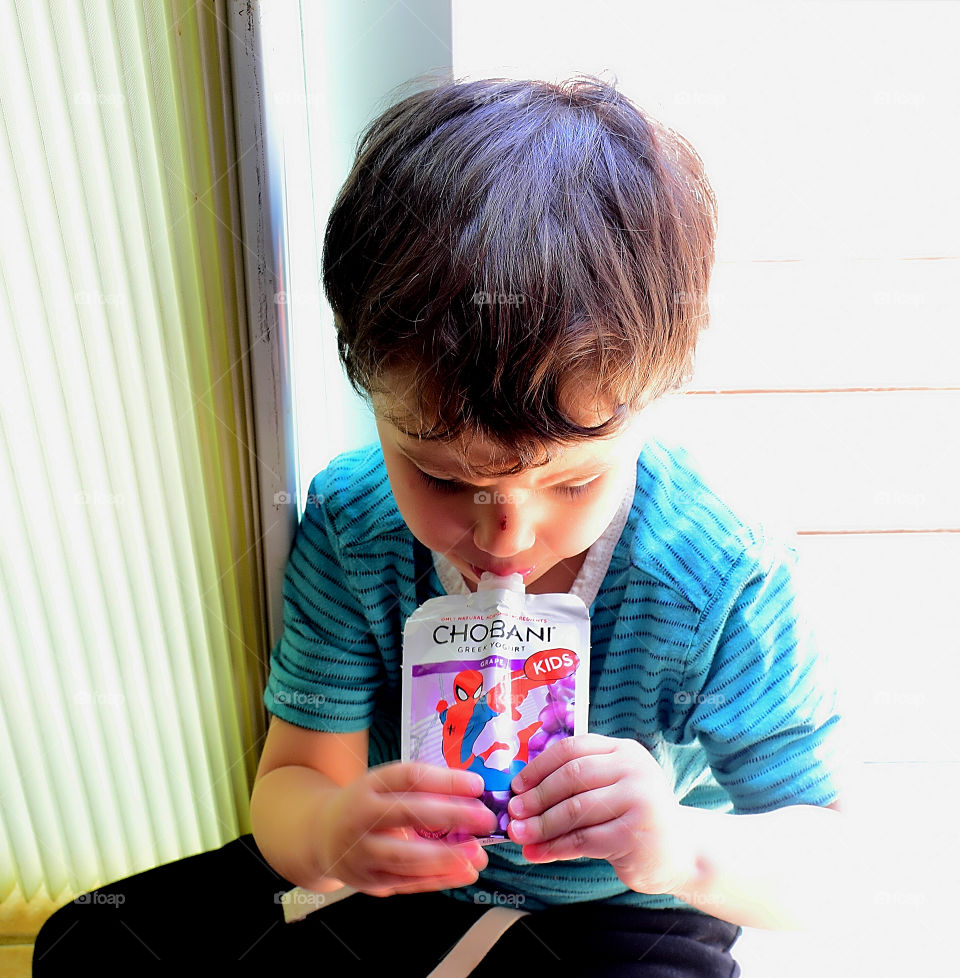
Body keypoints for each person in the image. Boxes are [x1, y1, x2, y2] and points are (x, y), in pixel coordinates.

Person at [33, 74, 846, 976]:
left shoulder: (718, 574)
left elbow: (825, 858)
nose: (504, 535)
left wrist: (680, 848)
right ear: (371, 395)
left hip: (622, 906)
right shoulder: (356, 526)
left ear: (651, 406)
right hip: (397, 885)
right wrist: (336, 834)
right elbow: (295, 782)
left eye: (572, 481)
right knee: (87, 941)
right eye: (443, 478)